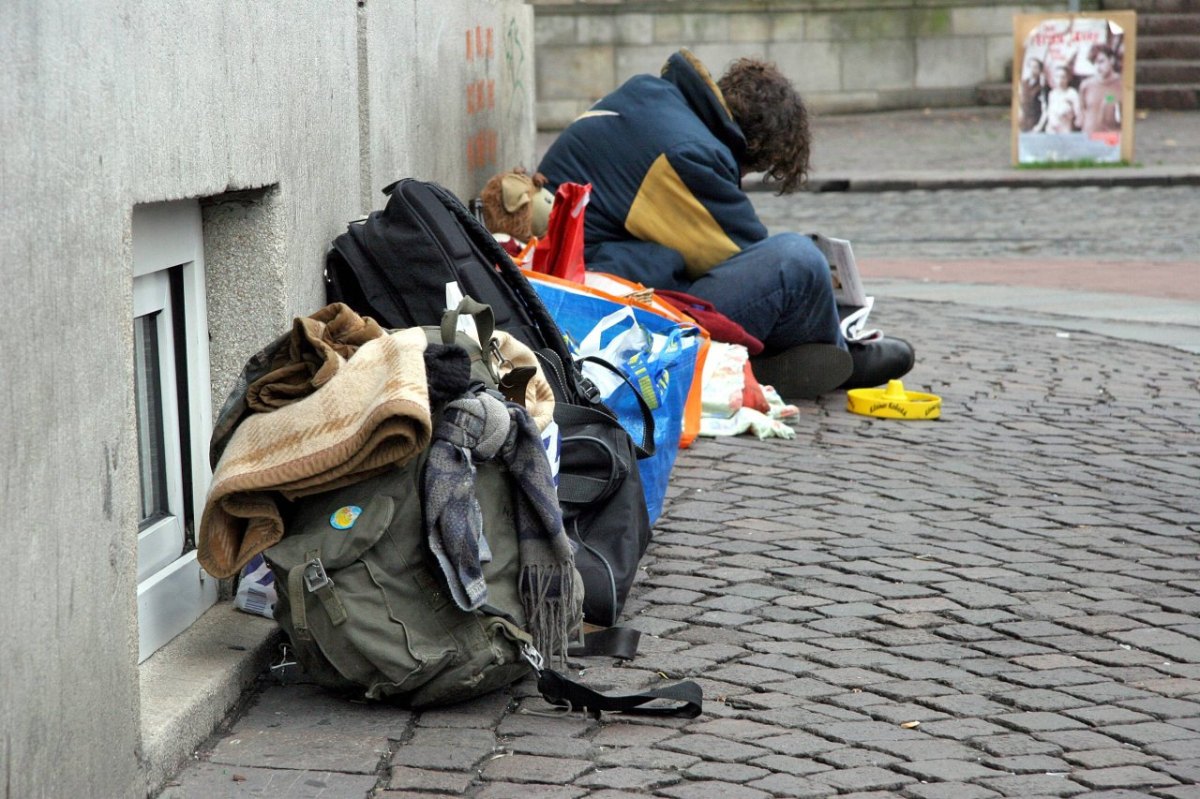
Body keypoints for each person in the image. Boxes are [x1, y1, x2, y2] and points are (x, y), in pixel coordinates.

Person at [536, 49, 914, 399]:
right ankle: (837, 354)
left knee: (751, 263)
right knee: (799, 262)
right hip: (593, 309)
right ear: (755, 149)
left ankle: (777, 357)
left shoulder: (649, 95)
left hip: (577, 284)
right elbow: (743, 259)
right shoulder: (688, 152)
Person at [1079, 44, 1123, 137]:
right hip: (1089, 139)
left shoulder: (1122, 84)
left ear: (1111, 60)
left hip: (1112, 140)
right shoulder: (1086, 85)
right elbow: (1082, 112)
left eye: (1101, 62)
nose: (1098, 67)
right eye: (1094, 63)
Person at [1036, 64, 1081, 134]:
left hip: (1065, 131)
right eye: (1057, 77)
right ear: (1053, 78)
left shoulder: (1072, 93)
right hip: (1051, 131)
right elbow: (1048, 112)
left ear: (1068, 78)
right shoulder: (1052, 94)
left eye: (1063, 77)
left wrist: (1070, 115)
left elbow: (1078, 114)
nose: (1060, 80)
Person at [1018, 57, 1047, 133]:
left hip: (1035, 122)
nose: (1032, 69)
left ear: (1040, 70)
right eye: (1030, 66)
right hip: (1023, 122)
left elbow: (1045, 108)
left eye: (1035, 67)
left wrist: (1039, 126)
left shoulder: (1042, 87)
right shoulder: (1023, 84)